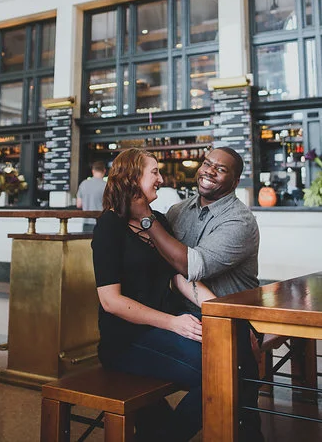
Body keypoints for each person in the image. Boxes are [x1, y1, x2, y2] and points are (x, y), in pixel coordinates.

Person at [137, 146, 264, 442]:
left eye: (220, 169)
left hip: (229, 319)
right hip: (183, 316)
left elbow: (189, 265)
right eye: (207, 163)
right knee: (136, 358)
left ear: (235, 181)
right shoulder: (179, 211)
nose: (208, 171)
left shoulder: (239, 221)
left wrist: (146, 217)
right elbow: (158, 263)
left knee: (230, 381)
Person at [92, 148, 215, 442]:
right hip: (126, 340)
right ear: (133, 178)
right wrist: (173, 323)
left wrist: (221, 310)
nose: (161, 178)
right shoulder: (109, 225)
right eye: (155, 172)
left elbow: (181, 278)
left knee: (231, 351)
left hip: (163, 327)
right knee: (214, 369)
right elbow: (111, 301)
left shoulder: (157, 219)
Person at [77, 161, 107, 232]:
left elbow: (79, 205)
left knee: (86, 243)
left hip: (87, 222)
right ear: (104, 171)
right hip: (103, 222)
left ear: (93, 171)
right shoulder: (107, 186)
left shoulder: (83, 184)